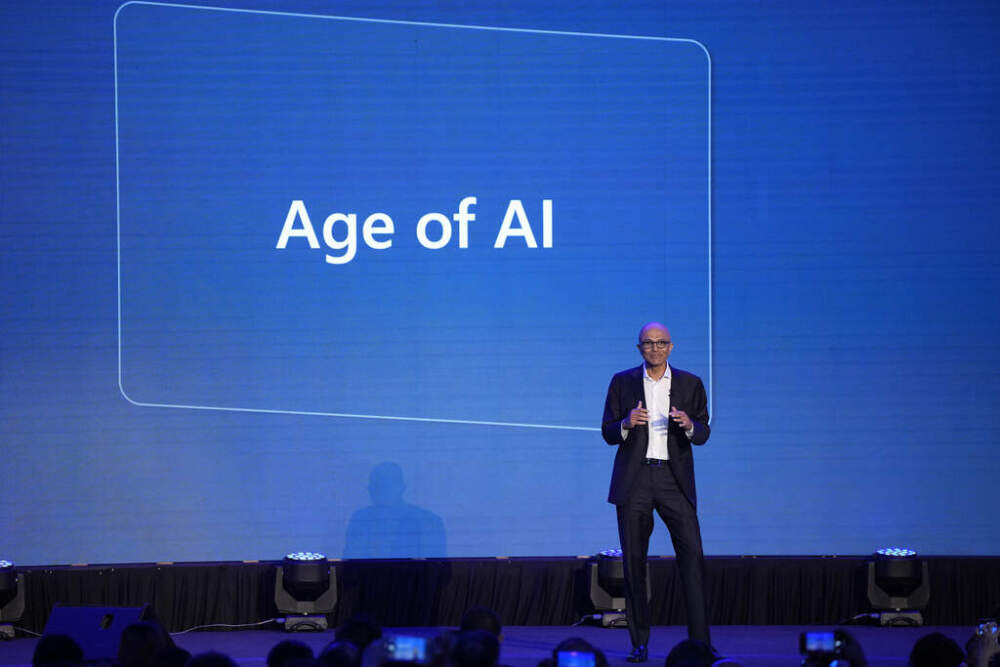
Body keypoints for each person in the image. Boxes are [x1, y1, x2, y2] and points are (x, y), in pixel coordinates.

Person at [601, 322, 711, 662]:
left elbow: (704, 430)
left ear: (671, 347)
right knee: (634, 563)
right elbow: (607, 431)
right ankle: (639, 643)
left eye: (661, 343)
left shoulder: (690, 383)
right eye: (648, 343)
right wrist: (625, 422)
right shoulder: (623, 381)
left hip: (673, 481)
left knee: (692, 558)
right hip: (635, 481)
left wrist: (690, 425)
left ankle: (701, 644)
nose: (655, 348)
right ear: (639, 349)